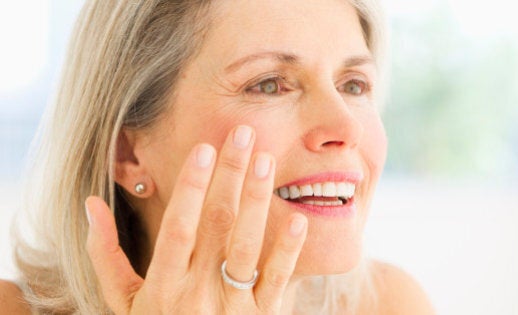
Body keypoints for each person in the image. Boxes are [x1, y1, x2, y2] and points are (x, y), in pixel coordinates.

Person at [0, 0, 434, 313]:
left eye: (354, 84)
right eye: (268, 84)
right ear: (128, 153)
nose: (347, 129)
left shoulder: (391, 304)